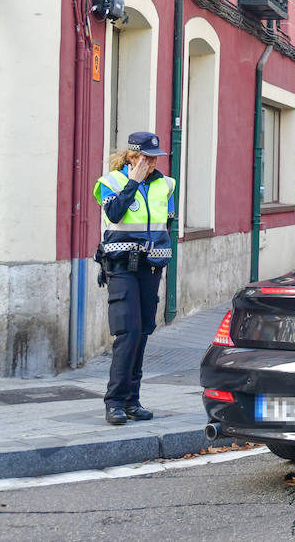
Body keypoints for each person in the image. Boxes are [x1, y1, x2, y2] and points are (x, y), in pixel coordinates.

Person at [93, 131, 176, 425]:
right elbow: (115, 213)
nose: (152, 163)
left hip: (150, 267)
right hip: (120, 268)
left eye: (155, 158)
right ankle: (114, 402)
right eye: (146, 157)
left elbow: (167, 223)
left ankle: (132, 401)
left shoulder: (166, 185)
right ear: (132, 157)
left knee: (142, 333)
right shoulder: (109, 183)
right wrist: (134, 182)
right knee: (127, 333)